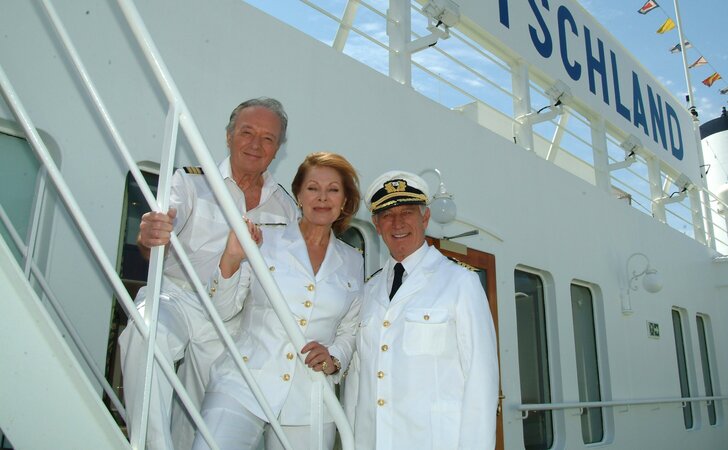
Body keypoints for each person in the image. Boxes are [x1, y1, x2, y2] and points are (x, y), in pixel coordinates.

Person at [118, 98, 299, 450]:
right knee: (147, 332)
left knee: (204, 411)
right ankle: (151, 445)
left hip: (233, 317)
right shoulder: (191, 183)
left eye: (268, 138)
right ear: (229, 136)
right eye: (247, 132)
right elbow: (158, 235)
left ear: (277, 149)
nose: (255, 144)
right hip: (180, 295)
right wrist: (150, 236)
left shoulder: (286, 207)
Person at [192, 152, 363, 450]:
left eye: (333, 190)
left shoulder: (353, 261)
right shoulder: (264, 239)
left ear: (345, 201)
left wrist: (334, 358)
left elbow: (350, 330)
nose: (322, 198)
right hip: (244, 381)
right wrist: (231, 258)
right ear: (298, 194)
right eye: (312, 188)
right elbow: (222, 310)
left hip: (309, 399)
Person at [350, 171, 499, 450]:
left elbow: (482, 380)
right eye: (387, 215)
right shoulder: (369, 291)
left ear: (425, 218)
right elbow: (358, 383)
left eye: (407, 212)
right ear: (376, 225)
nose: (397, 223)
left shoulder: (460, 283)